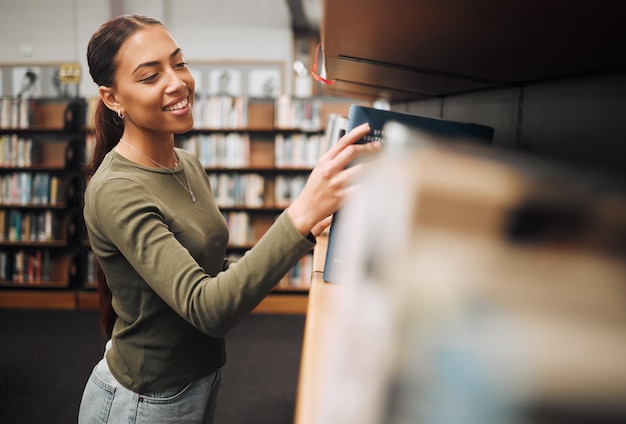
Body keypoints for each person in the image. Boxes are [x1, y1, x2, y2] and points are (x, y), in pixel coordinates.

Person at [78, 14, 379, 424]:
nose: (177, 82)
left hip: (201, 377)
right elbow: (209, 307)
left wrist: (307, 228)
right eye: (150, 77)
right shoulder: (117, 188)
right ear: (112, 99)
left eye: (179, 63)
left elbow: (214, 277)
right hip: (146, 399)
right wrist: (299, 217)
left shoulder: (188, 164)